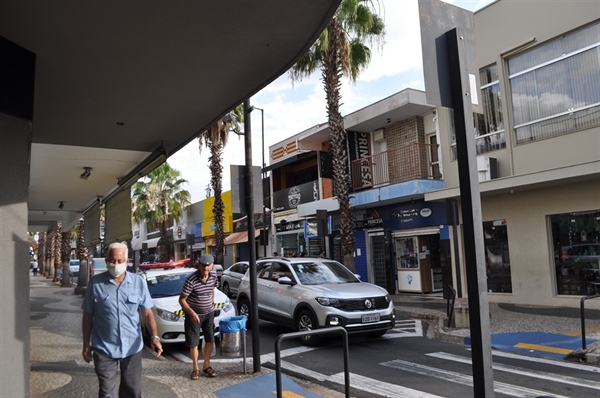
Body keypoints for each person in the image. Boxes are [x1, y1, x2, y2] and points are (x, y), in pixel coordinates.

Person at [82, 242, 162, 398]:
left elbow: (147, 313)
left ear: (127, 261)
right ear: (106, 260)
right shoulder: (95, 284)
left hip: (132, 347)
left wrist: (154, 336)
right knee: (106, 393)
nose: (116, 264)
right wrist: (86, 344)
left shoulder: (138, 282)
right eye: (112, 260)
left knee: (132, 392)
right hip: (104, 347)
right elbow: (88, 316)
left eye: (120, 261)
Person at [179, 253, 219, 379]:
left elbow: (212, 289)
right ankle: (195, 368)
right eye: (203, 266)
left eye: (208, 266)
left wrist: (211, 303)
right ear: (199, 266)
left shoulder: (213, 276)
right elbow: (182, 299)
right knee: (194, 342)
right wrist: (192, 313)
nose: (206, 269)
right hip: (194, 315)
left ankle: (206, 366)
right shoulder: (191, 279)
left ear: (212, 266)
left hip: (209, 313)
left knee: (210, 339)